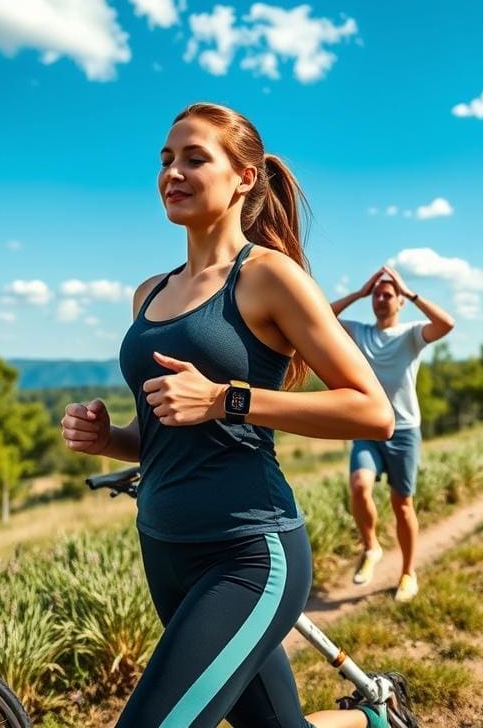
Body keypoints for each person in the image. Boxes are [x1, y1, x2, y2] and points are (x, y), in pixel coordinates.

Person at [60, 102, 405, 728]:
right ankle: (374, 718)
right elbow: (168, 433)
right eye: (166, 160)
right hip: (163, 547)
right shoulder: (150, 292)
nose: (173, 172)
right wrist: (107, 437)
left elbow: (373, 411)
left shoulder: (269, 277)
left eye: (195, 158)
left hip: (249, 551)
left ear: (244, 178)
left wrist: (228, 398)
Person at [331, 266, 454, 602]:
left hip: (403, 432)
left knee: (402, 505)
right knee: (358, 486)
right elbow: (322, 317)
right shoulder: (358, 332)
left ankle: (407, 574)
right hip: (368, 429)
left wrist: (411, 291)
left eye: (388, 295)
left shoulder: (411, 334)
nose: (381, 299)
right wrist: (358, 292)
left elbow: (446, 324)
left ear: (399, 301)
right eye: (377, 295)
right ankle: (371, 547)